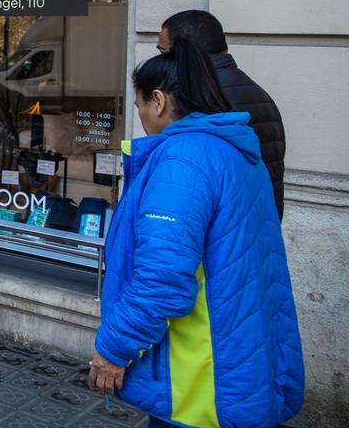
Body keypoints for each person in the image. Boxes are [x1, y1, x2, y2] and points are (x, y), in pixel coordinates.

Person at [90, 38, 303, 428]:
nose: (140, 116)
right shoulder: (232, 151)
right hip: (238, 355)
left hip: (200, 372)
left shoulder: (182, 160)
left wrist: (114, 348)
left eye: (138, 106)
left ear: (158, 101)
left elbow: (162, 278)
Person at [158, 10, 286, 219]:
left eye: (165, 54)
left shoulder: (205, 98)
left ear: (187, 51)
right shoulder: (256, 92)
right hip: (255, 226)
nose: (161, 63)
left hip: (227, 230)